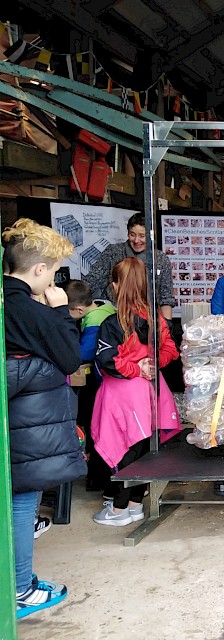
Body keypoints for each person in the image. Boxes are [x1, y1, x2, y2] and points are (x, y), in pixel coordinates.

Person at [2, 218, 85, 618]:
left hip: (15, 421)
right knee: (21, 506)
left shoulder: (6, 299)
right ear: (38, 269)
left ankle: (17, 583)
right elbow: (70, 358)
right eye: (52, 272)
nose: (52, 279)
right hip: (26, 426)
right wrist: (60, 312)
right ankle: (19, 589)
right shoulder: (27, 308)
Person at [91, 257, 181, 526]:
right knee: (145, 447)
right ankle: (135, 504)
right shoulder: (157, 319)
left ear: (116, 286)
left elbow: (108, 361)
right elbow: (171, 351)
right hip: (153, 391)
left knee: (124, 449)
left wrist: (138, 368)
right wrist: (152, 365)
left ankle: (118, 510)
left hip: (123, 393)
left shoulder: (112, 323)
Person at [65, 279, 117, 492]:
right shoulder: (104, 306)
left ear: (78, 309)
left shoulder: (94, 321)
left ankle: (97, 478)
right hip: (108, 379)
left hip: (100, 381)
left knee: (92, 426)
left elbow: (83, 353)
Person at [83, 212, 176, 319]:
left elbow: (166, 298)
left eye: (142, 236)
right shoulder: (113, 252)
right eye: (132, 234)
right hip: (112, 315)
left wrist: (167, 327)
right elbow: (93, 281)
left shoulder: (160, 259)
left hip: (145, 319)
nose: (136, 240)